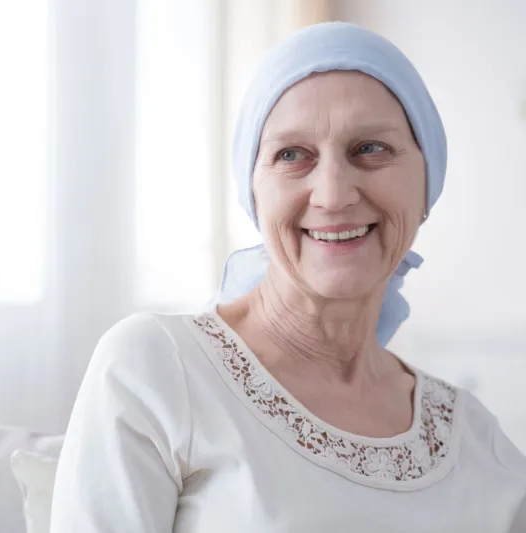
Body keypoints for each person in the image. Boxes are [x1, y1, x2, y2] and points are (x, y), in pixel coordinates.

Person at [49, 22, 526, 532]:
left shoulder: (474, 439)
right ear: (254, 194)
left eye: (370, 148)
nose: (334, 194)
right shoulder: (156, 370)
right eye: (292, 155)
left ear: (427, 184)